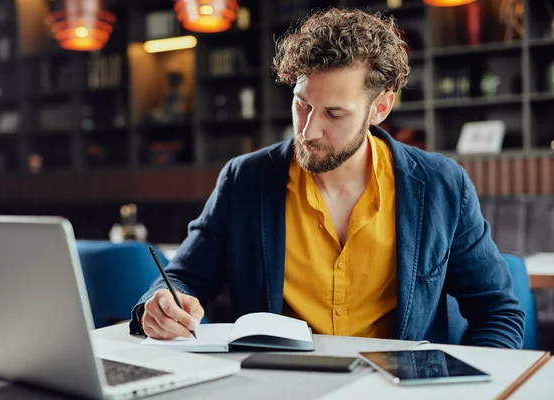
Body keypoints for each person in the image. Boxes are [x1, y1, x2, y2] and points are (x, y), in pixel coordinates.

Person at [130, 7, 525, 348]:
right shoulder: (244, 179)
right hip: (276, 386)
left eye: (334, 114)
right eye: (302, 105)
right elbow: (182, 278)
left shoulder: (442, 185)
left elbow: (498, 312)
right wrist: (165, 301)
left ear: (380, 108)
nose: (308, 131)